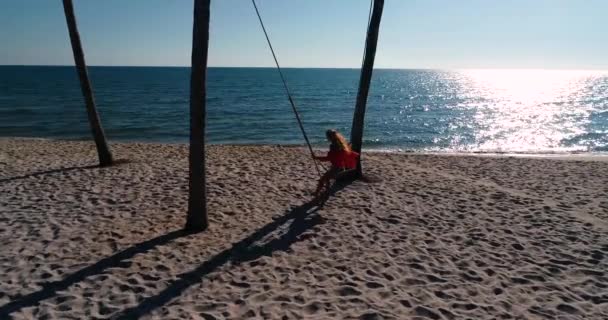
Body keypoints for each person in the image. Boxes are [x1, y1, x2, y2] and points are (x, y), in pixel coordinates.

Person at [312, 129, 359, 197]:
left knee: (322, 180)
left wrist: (316, 157)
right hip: (339, 167)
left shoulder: (333, 146)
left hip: (336, 168)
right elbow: (337, 155)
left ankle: (316, 193)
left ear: (329, 137)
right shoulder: (340, 144)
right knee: (327, 179)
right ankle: (327, 192)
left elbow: (328, 158)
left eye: (327, 136)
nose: (326, 137)